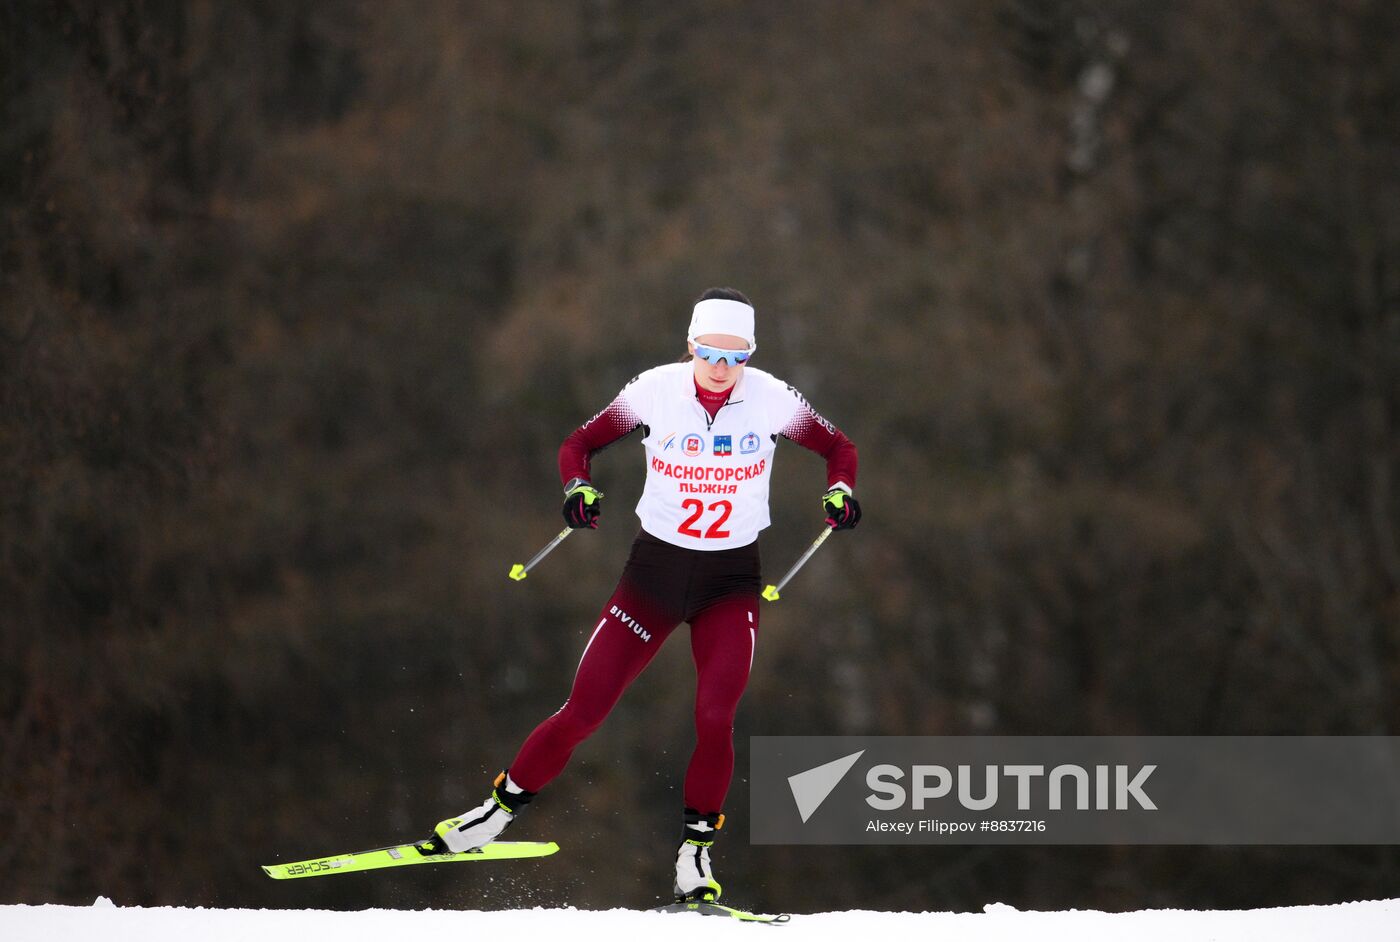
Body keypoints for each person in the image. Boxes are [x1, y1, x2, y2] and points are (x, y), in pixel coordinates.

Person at [422, 288, 860, 902]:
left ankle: (695, 858)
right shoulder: (653, 389)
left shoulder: (774, 400)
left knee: (715, 717)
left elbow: (839, 448)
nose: (722, 368)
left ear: (751, 357)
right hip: (654, 575)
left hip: (730, 582)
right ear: (690, 346)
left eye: (737, 357)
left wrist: (839, 491)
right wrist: (578, 487)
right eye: (709, 352)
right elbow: (577, 445)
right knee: (585, 710)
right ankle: (494, 815)